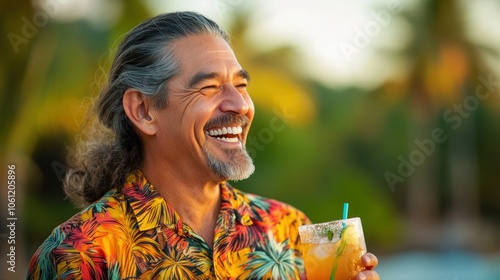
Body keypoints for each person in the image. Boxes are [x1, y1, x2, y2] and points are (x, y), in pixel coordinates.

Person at [27, 11, 379, 279]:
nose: (239, 105)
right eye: (209, 87)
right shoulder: (79, 255)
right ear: (143, 110)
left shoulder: (286, 229)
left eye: (240, 86)